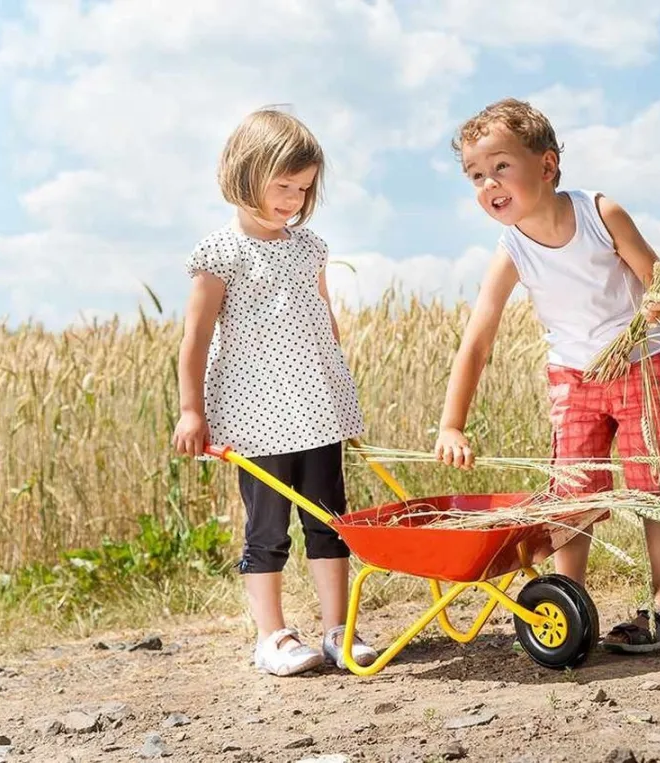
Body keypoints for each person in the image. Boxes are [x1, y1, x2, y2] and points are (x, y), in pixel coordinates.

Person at [434, 98, 660, 653]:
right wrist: (451, 424)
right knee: (571, 494)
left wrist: (658, 301)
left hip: (642, 365)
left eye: (501, 167)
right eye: (476, 176)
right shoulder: (511, 250)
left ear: (547, 165)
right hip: (574, 379)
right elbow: (478, 337)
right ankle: (568, 601)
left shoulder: (601, 215)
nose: (489, 184)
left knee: (656, 484)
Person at [172, 107, 377, 675]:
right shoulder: (222, 252)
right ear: (246, 172)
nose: (293, 200)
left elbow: (323, 320)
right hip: (255, 414)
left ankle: (339, 627)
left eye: (304, 189)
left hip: (317, 408)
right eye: (283, 186)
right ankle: (273, 636)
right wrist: (192, 411)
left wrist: (341, 390)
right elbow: (196, 337)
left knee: (329, 518)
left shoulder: (309, 247)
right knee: (267, 527)